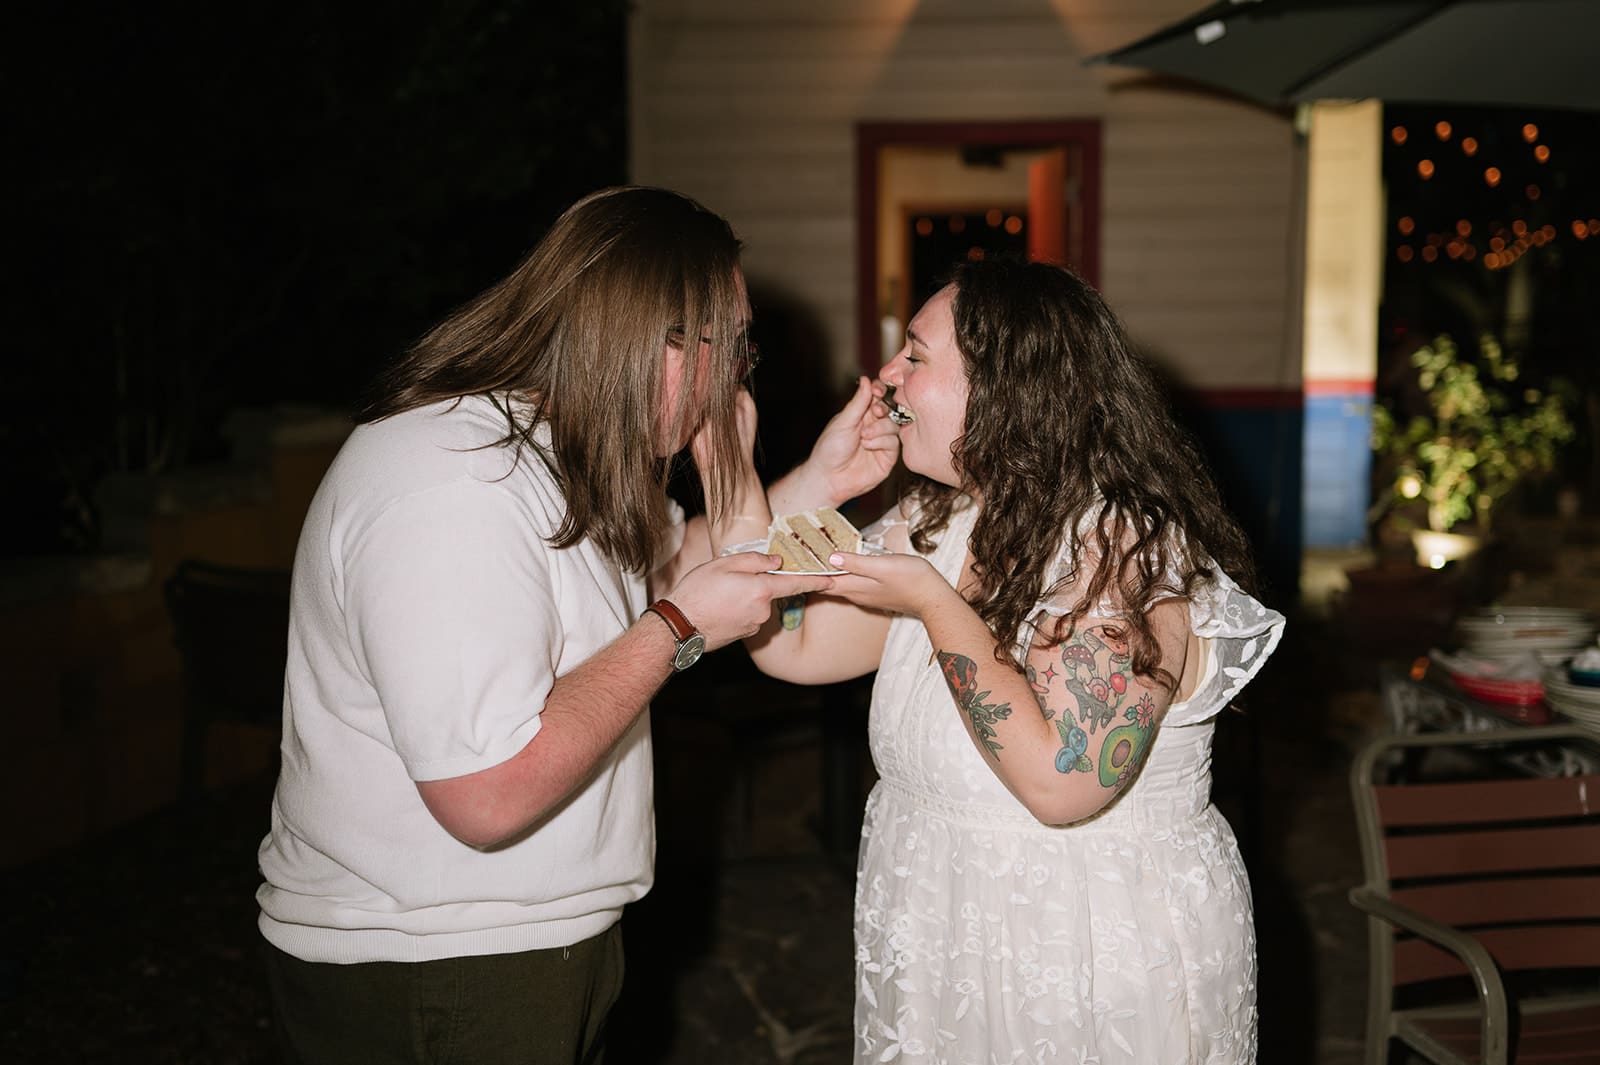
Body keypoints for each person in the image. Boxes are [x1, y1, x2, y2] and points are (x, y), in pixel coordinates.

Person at [255, 185, 896, 1065]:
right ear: (654, 340)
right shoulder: (451, 484)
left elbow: (678, 563)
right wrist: (674, 628)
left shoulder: (554, 451)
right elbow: (486, 792)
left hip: (528, 942)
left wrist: (820, 481)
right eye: (734, 348)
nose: (738, 379)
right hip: (436, 966)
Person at [709, 258, 1286, 1062]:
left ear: (1008, 386)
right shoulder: (943, 519)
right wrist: (807, 481)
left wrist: (935, 606)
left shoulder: (1123, 548)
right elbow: (788, 643)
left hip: (1081, 955)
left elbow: (1064, 782)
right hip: (947, 937)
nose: (886, 375)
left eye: (916, 354)